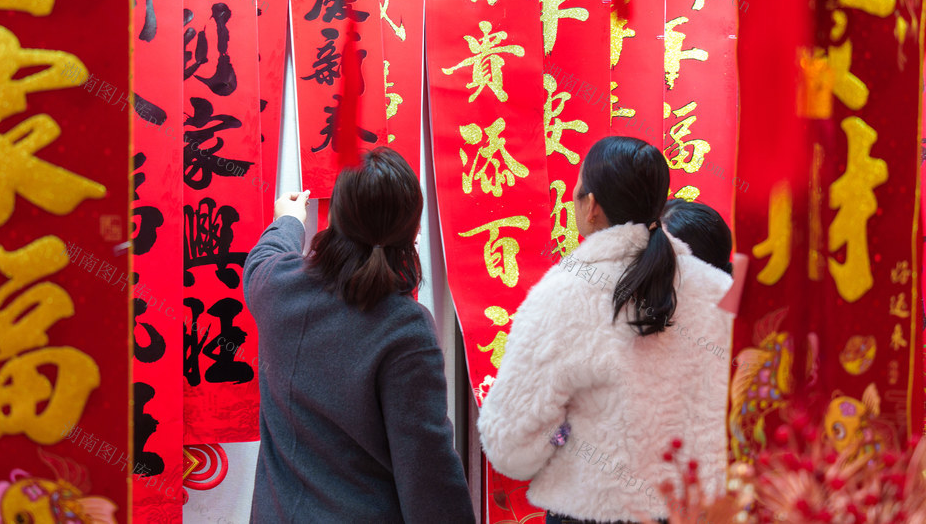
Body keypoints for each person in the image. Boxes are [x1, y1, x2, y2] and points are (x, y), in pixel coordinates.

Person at [477, 136, 733, 524]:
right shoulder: (718, 291)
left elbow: (510, 442)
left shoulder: (563, 293)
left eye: (578, 187)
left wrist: (565, 439)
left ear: (591, 205)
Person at [243, 147, 475, 523]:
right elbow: (428, 470)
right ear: (414, 231)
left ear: (334, 217)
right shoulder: (406, 329)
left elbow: (264, 254)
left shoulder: (275, 286)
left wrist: (289, 221)